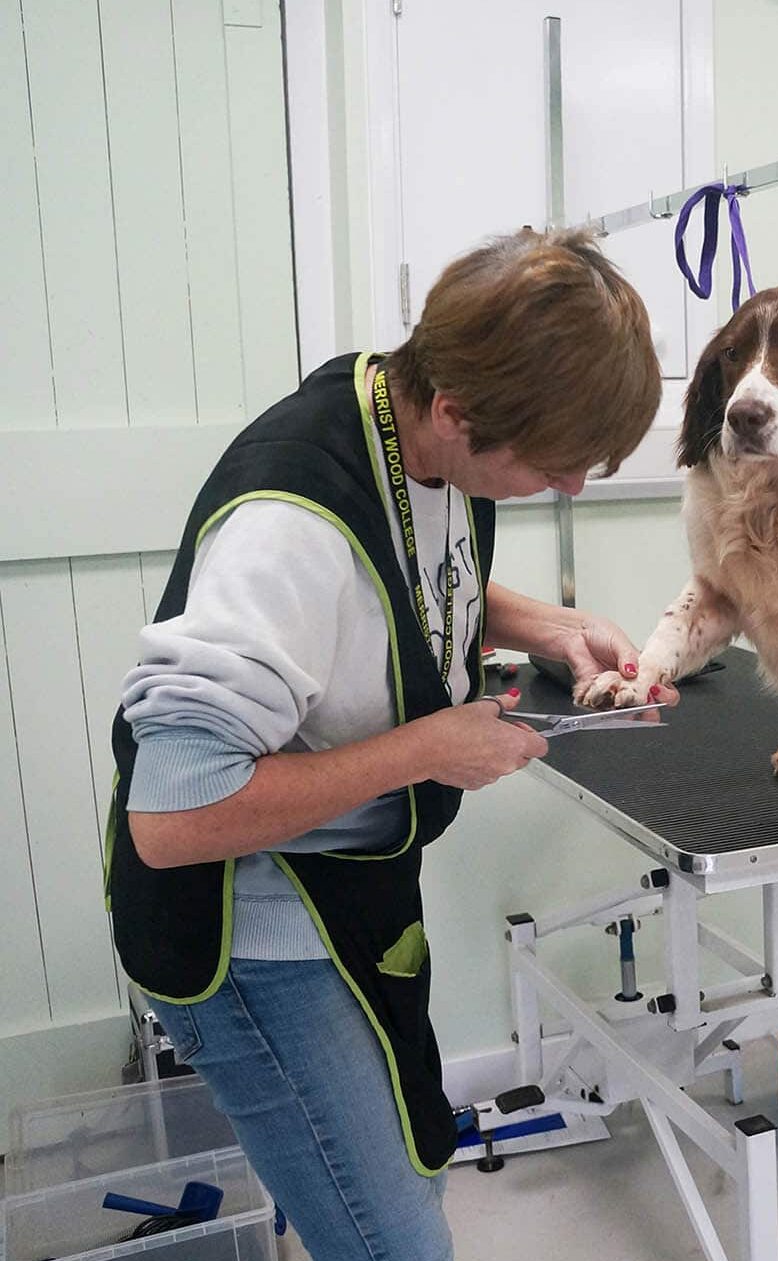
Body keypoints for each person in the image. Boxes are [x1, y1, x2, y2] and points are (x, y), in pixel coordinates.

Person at [105, 226, 663, 1260]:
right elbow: (171, 818)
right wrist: (427, 750)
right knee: (392, 1241)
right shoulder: (287, 532)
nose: (574, 488)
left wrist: (540, 623)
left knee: (408, 1158)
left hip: (352, 887)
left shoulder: (398, 414)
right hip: (251, 932)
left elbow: (392, 579)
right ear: (457, 412)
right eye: (557, 465)